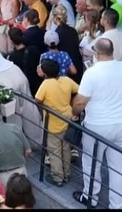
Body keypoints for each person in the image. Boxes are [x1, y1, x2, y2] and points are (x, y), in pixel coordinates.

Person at [71, 38, 122, 209]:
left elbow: (80, 102)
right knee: (118, 167)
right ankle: (117, 205)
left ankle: (90, 197)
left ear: (97, 53)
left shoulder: (91, 73)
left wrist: (74, 113)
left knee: (92, 163)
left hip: (97, 125)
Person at [35, 58, 78, 187]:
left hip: (52, 124)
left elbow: (37, 100)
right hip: (67, 120)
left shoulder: (46, 84)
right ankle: (67, 174)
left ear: (45, 72)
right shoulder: (67, 80)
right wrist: (72, 106)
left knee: (54, 152)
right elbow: (79, 91)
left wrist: (43, 112)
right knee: (66, 149)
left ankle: (58, 178)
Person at [0, 100, 30, 189]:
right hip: (21, 173)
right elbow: (28, 151)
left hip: (1, 178)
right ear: (1, 112)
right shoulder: (15, 128)